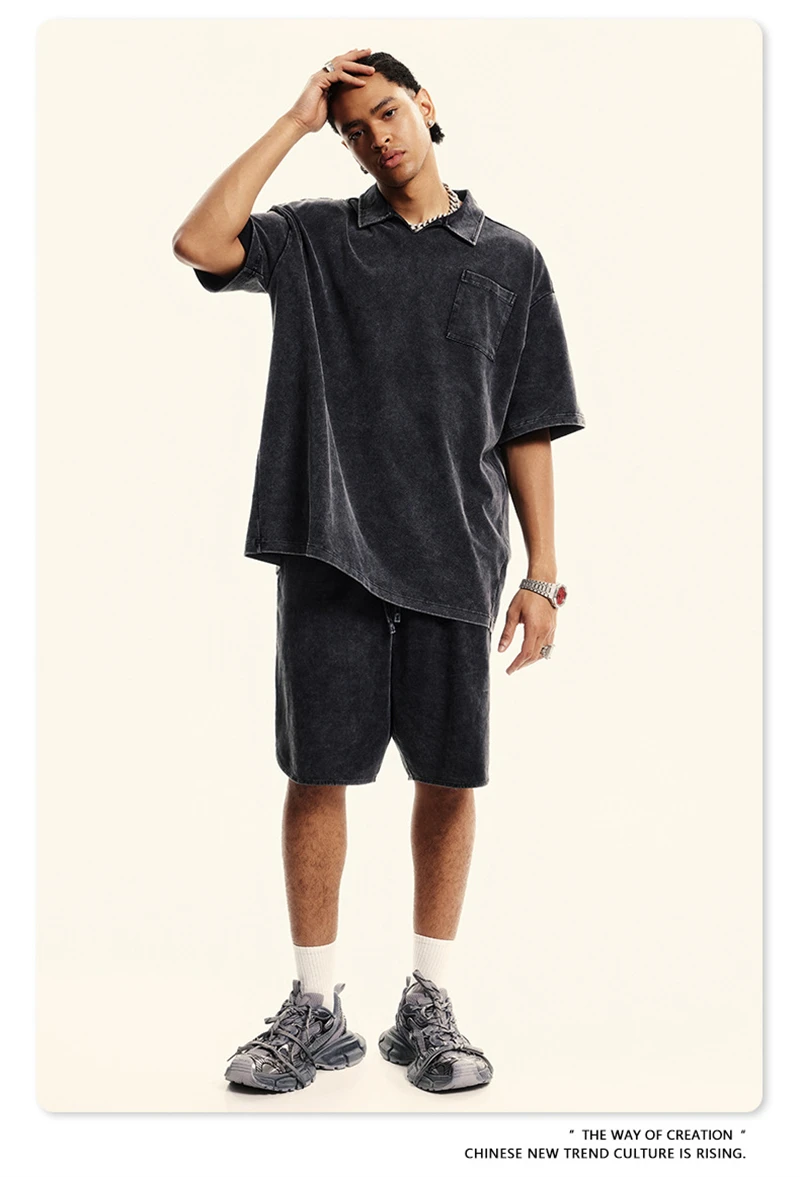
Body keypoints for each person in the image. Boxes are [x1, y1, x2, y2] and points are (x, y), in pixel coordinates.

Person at [172, 47, 585, 1096]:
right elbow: (199, 241)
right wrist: (294, 120)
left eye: (388, 114)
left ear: (425, 105)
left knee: (448, 779)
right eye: (355, 129)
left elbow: (529, 423)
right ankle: (313, 1006)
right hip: (329, 546)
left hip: (456, 556)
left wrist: (542, 575)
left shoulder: (510, 258)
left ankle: (429, 1000)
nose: (377, 139)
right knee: (318, 774)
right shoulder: (314, 237)